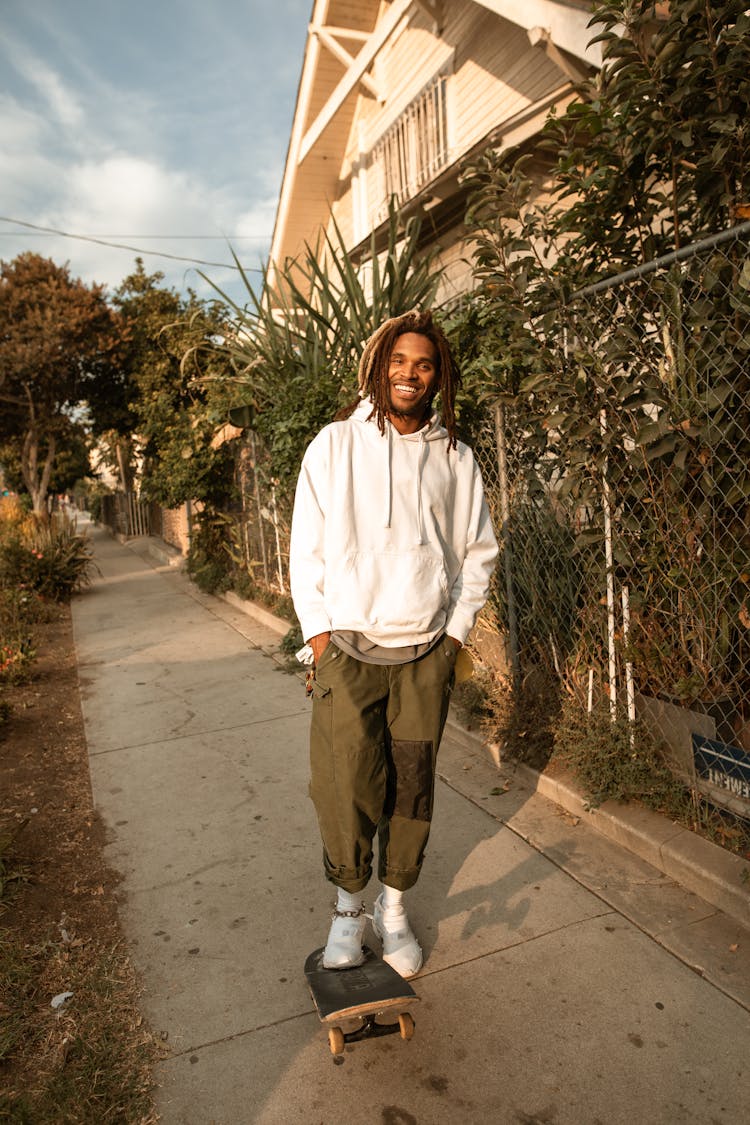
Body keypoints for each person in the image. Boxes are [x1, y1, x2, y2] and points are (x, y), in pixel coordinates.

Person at [290, 309, 498, 978]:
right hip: (347, 652)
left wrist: (453, 639)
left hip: (423, 654)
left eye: (424, 364)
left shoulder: (455, 456)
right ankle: (348, 910)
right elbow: (305, 551)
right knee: (344, 784)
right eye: (398, 361)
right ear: (378, 365)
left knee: (410, 788)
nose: (409, 373)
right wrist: (319, 639)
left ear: (439, 376)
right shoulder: (333, 445)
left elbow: (479, 553)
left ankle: (394, 908)